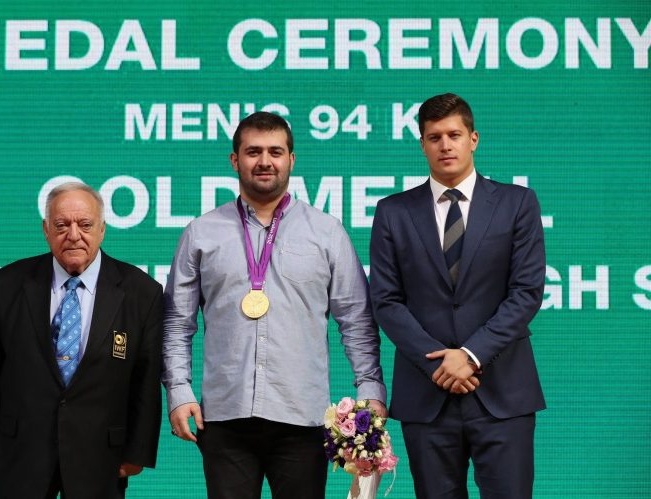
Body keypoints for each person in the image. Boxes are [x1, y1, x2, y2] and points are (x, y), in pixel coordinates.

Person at [162, 111, 387, 499]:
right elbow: (176, 325)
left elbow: (356, 320)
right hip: (224, 420)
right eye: (253, 151)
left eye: (275, 152)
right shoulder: (201, 233)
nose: (265, 161)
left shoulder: (327, 231)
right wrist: (179, 391)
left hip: (303, 419)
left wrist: (371, 390)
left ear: (291, 160)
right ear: (235, 160)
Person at [369, 93, 546, 498]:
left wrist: (468, 356)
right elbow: (386, 300)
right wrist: (438, 364)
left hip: (503, 393)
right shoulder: (392, 211)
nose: (445, 145)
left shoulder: (517, 203)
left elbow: (526, 292)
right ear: (422, 144)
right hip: (426, 395)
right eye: (434, 137)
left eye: (454, 134)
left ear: (473, 139)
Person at [0, 182, 163, 498]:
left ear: (102, 229)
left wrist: (137, 452)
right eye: (61, 225)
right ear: (46, 230)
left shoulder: (142, 292)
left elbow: (146, 379)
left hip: (101, 455)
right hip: (21, 451)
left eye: (85, 224)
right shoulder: (8, 284)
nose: (73, 234)